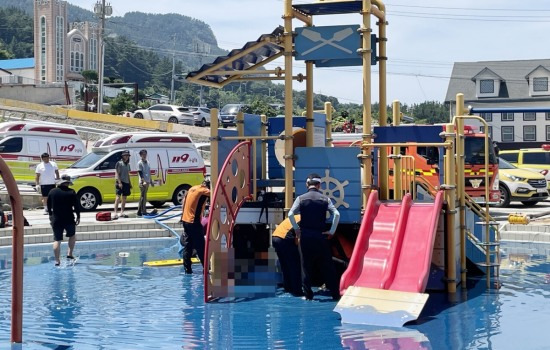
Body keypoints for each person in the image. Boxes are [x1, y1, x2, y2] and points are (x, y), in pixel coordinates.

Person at [288, 173, 341, 300]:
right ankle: (335, 294)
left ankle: (308, 295)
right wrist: (332, 231)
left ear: (307, 185)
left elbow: (290, 214)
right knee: (327, 265)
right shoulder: (325, 199)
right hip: (321, 236)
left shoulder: (301, 199)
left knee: (306, 266)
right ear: (319, 185)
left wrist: (297, 229)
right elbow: (337, 214)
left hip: (305, 236)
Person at [47, 175, 80, 266]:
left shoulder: (52, 192)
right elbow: (77, 206)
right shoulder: (71, 192)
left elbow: (48, 206)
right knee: (72, 235)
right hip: (69, 218)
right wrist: (78, 216)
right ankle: (69, 254)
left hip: (56, 219)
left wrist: (50, 215)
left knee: (57, 240)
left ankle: (57, 261)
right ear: (68, 183)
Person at [180, 177, 210, 274]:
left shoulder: (193, 188)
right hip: (194, 221)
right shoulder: (204, 190)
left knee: (188, 246)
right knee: (201, 246)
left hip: (185, 220)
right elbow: (216, 194)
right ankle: (206, 269)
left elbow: (183, 201)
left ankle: (187, 269)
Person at [272, 215, 303, 296]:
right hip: (285, 239)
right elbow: (297, 239)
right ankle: (297, 291)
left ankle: (288, 288)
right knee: (295, 265)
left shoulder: (295, 216)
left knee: (285, 265)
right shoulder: (303, 220)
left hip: (275, 237)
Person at [137, 149, 155, 217]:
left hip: (147, 182)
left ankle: (143, 210)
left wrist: (151, 181)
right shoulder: (140, 163)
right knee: (142, 197)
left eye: (145, 154)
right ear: (141, 155)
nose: (144, 156)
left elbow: (149, 172)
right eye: (143, 154)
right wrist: (143, 181)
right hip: (142, 183)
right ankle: (140, 211)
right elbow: (140, 173)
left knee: (145, 197)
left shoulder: (148, 162)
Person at [114, 150, 132, 219]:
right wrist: (119, 182)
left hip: (126, 182)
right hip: (120, 182)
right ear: (122, 156)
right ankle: (115, 212)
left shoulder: (128, 164)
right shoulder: (119, 163)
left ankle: (122, 212)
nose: (126, 157)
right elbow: (117, 173)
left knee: (124, 198)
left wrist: (129, 183)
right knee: (118, 197)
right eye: (125, 155)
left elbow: (128, 174)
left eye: (127, 155)